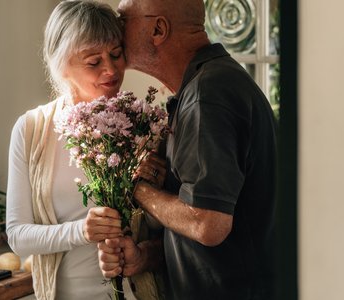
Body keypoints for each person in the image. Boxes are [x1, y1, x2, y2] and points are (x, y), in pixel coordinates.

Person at [97, 0, 278, 299]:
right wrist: (145, 256)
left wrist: (138, 189)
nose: (116, 29)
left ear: (158, 29)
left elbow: (208, 224)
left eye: (123, 18)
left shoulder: (207, 95)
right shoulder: (206, 86)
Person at [6, 1, 132, 299]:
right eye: (93, 62)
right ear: (61, 65)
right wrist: (81, 232)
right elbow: (18, 236)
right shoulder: (32, 130)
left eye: (116, 54)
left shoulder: (140, 126)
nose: (111, 69)